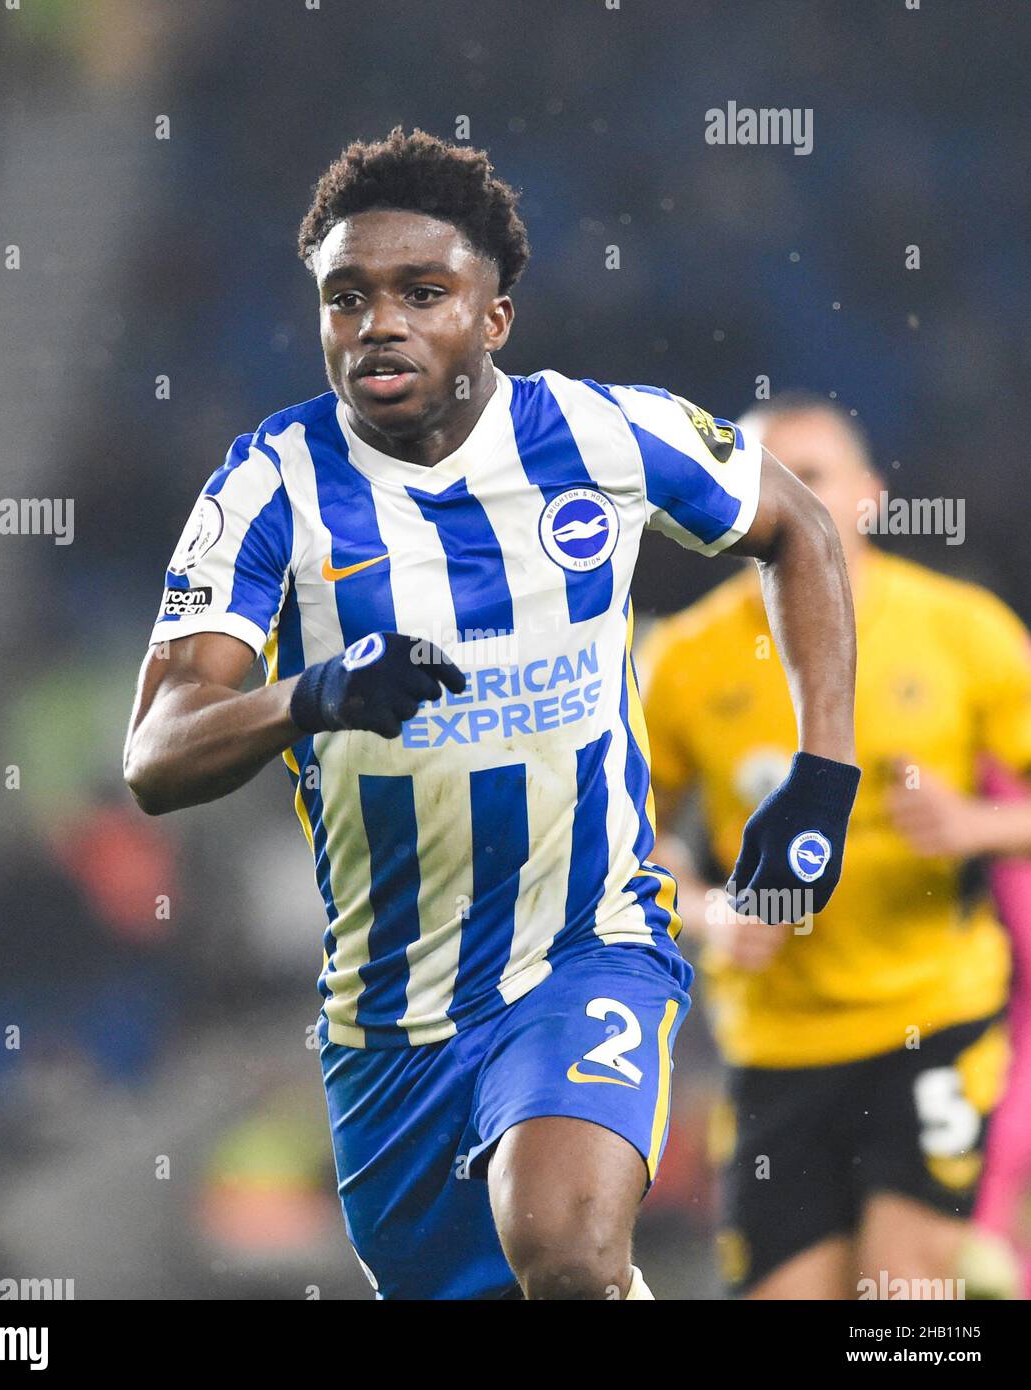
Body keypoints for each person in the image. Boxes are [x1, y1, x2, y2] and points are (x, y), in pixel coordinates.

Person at [123, 131, 860, 1300]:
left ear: (495, 317)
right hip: (388, 1020)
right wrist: (309, 693)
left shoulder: (605, 436)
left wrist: (825, 774)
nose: (380, 323)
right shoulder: (269, 486)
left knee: (563, 1248)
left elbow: (799, 528)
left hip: (590, 947)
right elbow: (157, 753)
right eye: (347, 297)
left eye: (423, 293)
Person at [638, 392, 1031, 1299]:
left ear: (869, 496)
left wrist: (977, 827)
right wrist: (707, 912)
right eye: (761, 480)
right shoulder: (684, 659)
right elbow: (629, 840)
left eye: (809, 478)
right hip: (773, 1041)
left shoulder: (963, 629)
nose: (785, 498)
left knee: (902, 1296)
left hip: (932, 1020)